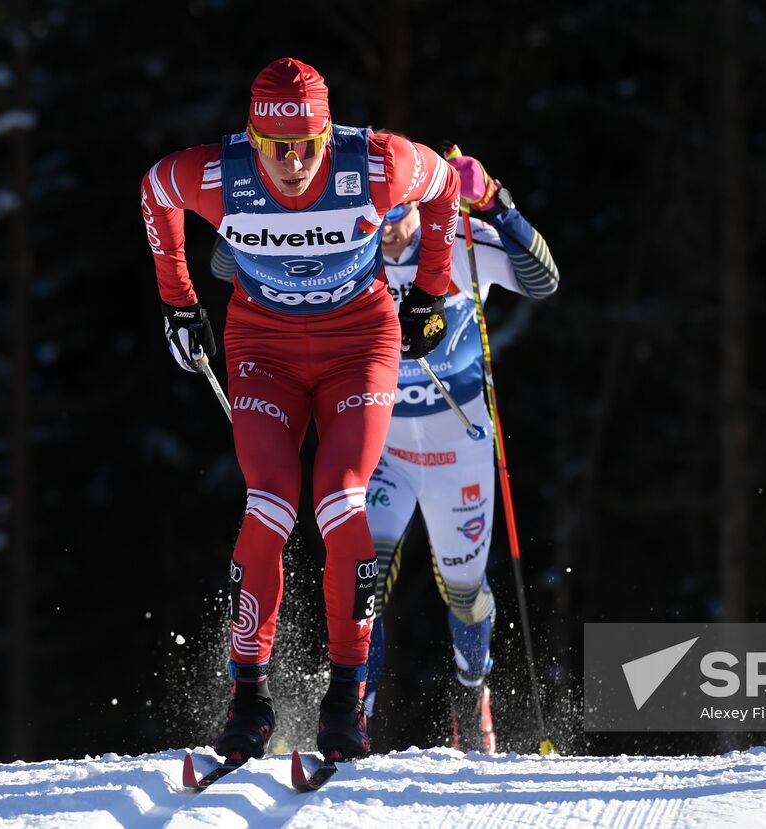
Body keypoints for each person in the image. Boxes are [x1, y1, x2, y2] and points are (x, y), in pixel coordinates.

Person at [139, 57, 459, 765]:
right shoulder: (218, 176)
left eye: (308, 145)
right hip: (264, 348)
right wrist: (177, 300)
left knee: (342, 497)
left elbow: (446, 185)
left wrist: (431, 290)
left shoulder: (375, 164)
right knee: (271, 503)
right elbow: (154, 189)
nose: (291, 163)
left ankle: (345, 700)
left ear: (327, 134)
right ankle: (248, 700)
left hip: (360, 344)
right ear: (252, 137)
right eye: (276, 146)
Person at [208, 142, 559, 752]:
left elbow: (544, 279)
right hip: (385, 445)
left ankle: (471, 691)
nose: (389, 232)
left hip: (461, 450)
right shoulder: (348, 238)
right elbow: (227, 263)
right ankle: (353, 713)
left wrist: (498, 204)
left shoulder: (461, 240)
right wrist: (260, 204)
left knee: (466, 594)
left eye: (401, 216)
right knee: (364, 573)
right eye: (381, 215)